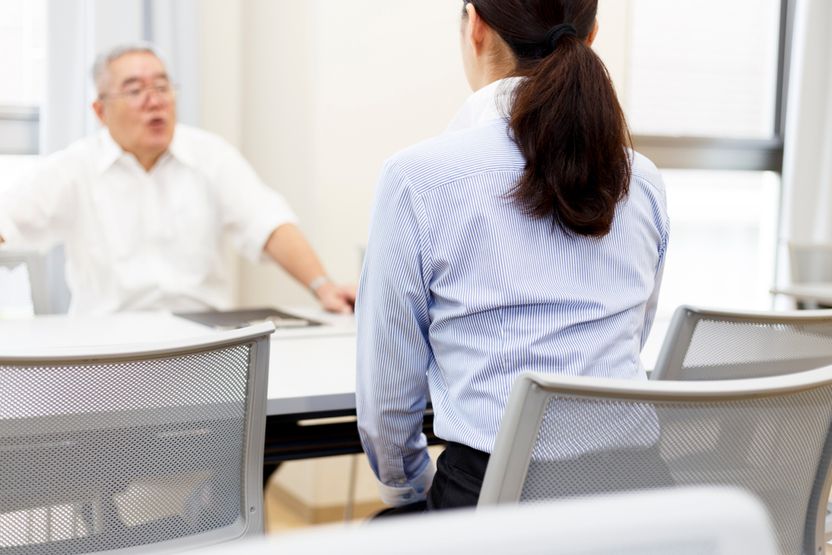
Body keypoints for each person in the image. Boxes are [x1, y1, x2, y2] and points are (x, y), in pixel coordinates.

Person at [356, 0, 669, 512]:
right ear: (590, 36)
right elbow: (634, 331)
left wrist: (408, 492)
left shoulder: (416, 177)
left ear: (475, 25)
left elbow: (387, 397)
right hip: (641, 497)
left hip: (496, 501)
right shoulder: (642, 178)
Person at [0, 43, 354, 315]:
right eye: (135, 90)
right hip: (107, 347)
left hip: (202, 346)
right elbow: (8, 221)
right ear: (100, 111)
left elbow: (269, 223)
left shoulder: (210, 155)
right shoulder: (73, 168)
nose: (155, 101)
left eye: (162, 86)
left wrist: (323, 286)